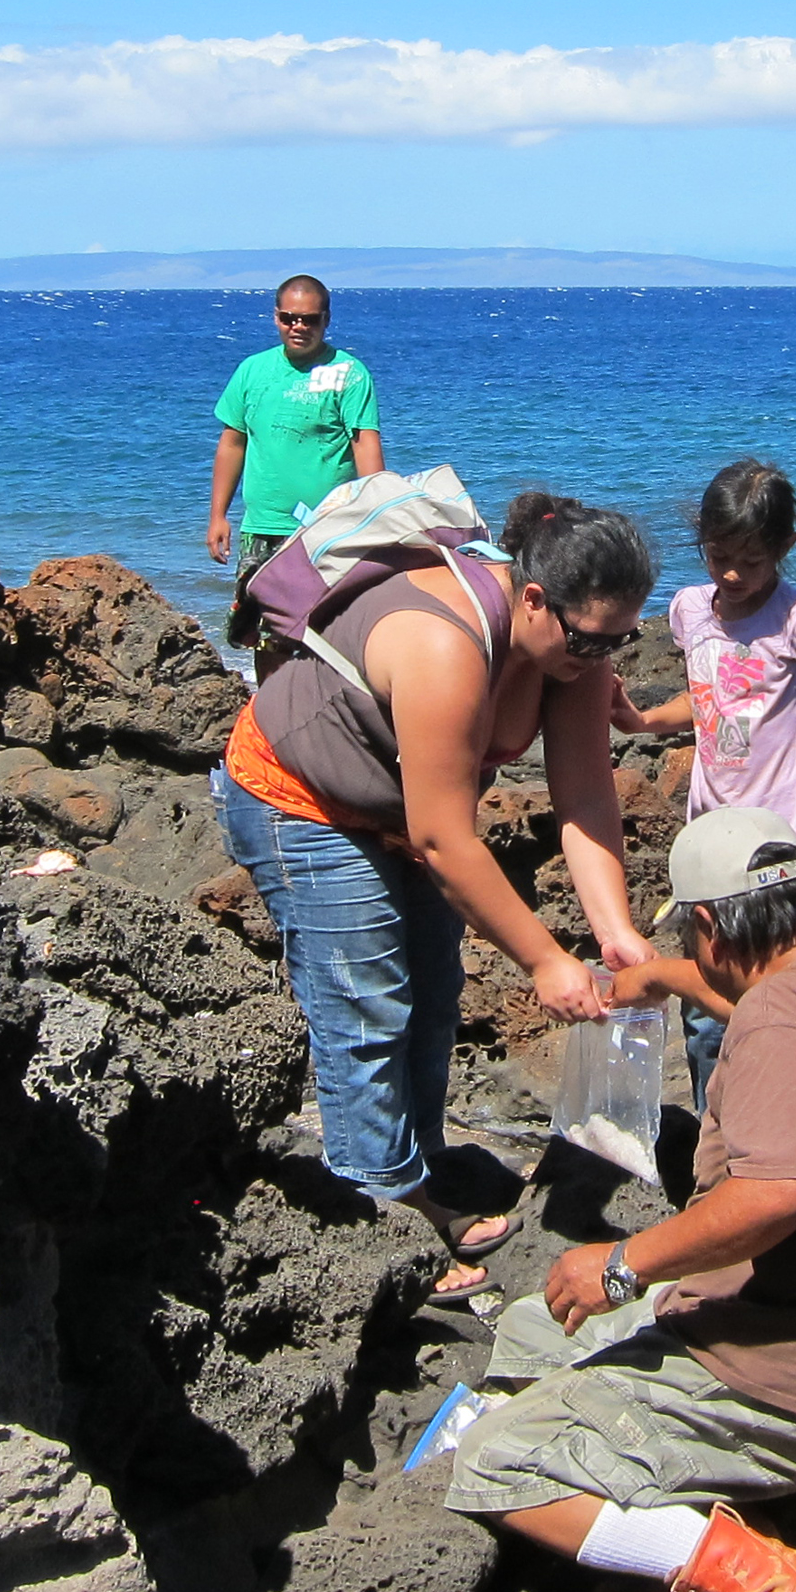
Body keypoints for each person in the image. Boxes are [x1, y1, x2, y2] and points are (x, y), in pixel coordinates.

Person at [437, 806, 796, 1592]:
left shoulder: (781, 1017)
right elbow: (743, 1000)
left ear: (708, 924)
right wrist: (649, 979)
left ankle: (762, 1576)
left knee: (496, 1459)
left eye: (687, 940)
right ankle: (646, 1479)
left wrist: (621, 1263)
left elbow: (782, 1192)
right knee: (537, 1323)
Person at [213, 491, 654, 1301]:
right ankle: (376, 1226)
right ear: (532, 598)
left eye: (623, 638)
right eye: (593, 639)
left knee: (433, 994)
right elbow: (446, 841)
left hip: (400, 809)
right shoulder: (441, 643)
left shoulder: (574, 654)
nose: (603, 656)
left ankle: (413, 1181)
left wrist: (615, 931)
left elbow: (586, 800)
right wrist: (545, 961)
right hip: (297, 797)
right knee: (365, 1001)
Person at [619, 461, 796, 1101]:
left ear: (785, 548)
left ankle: (795, 1108)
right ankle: (721, 1129)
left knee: (782, 990)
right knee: (707, 1008)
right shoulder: (689, 612)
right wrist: (647, 719)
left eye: (752, 561)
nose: (733, 574)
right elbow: (708, 698)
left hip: (780, 845)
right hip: (709, 840)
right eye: (719, 556)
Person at [207, 274, 383, 675]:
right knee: (267, 639)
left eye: (309, 319)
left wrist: (378, 516)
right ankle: (271, 727)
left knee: (329, 637)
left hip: (327, 531)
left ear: (326, 320)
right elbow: (232, 444)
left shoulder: (350, 374)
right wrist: (219, 516)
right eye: (289, 318)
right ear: (275, 317)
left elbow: (364, 444)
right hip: (264, 530)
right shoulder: (252, 371)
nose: (298, 327)